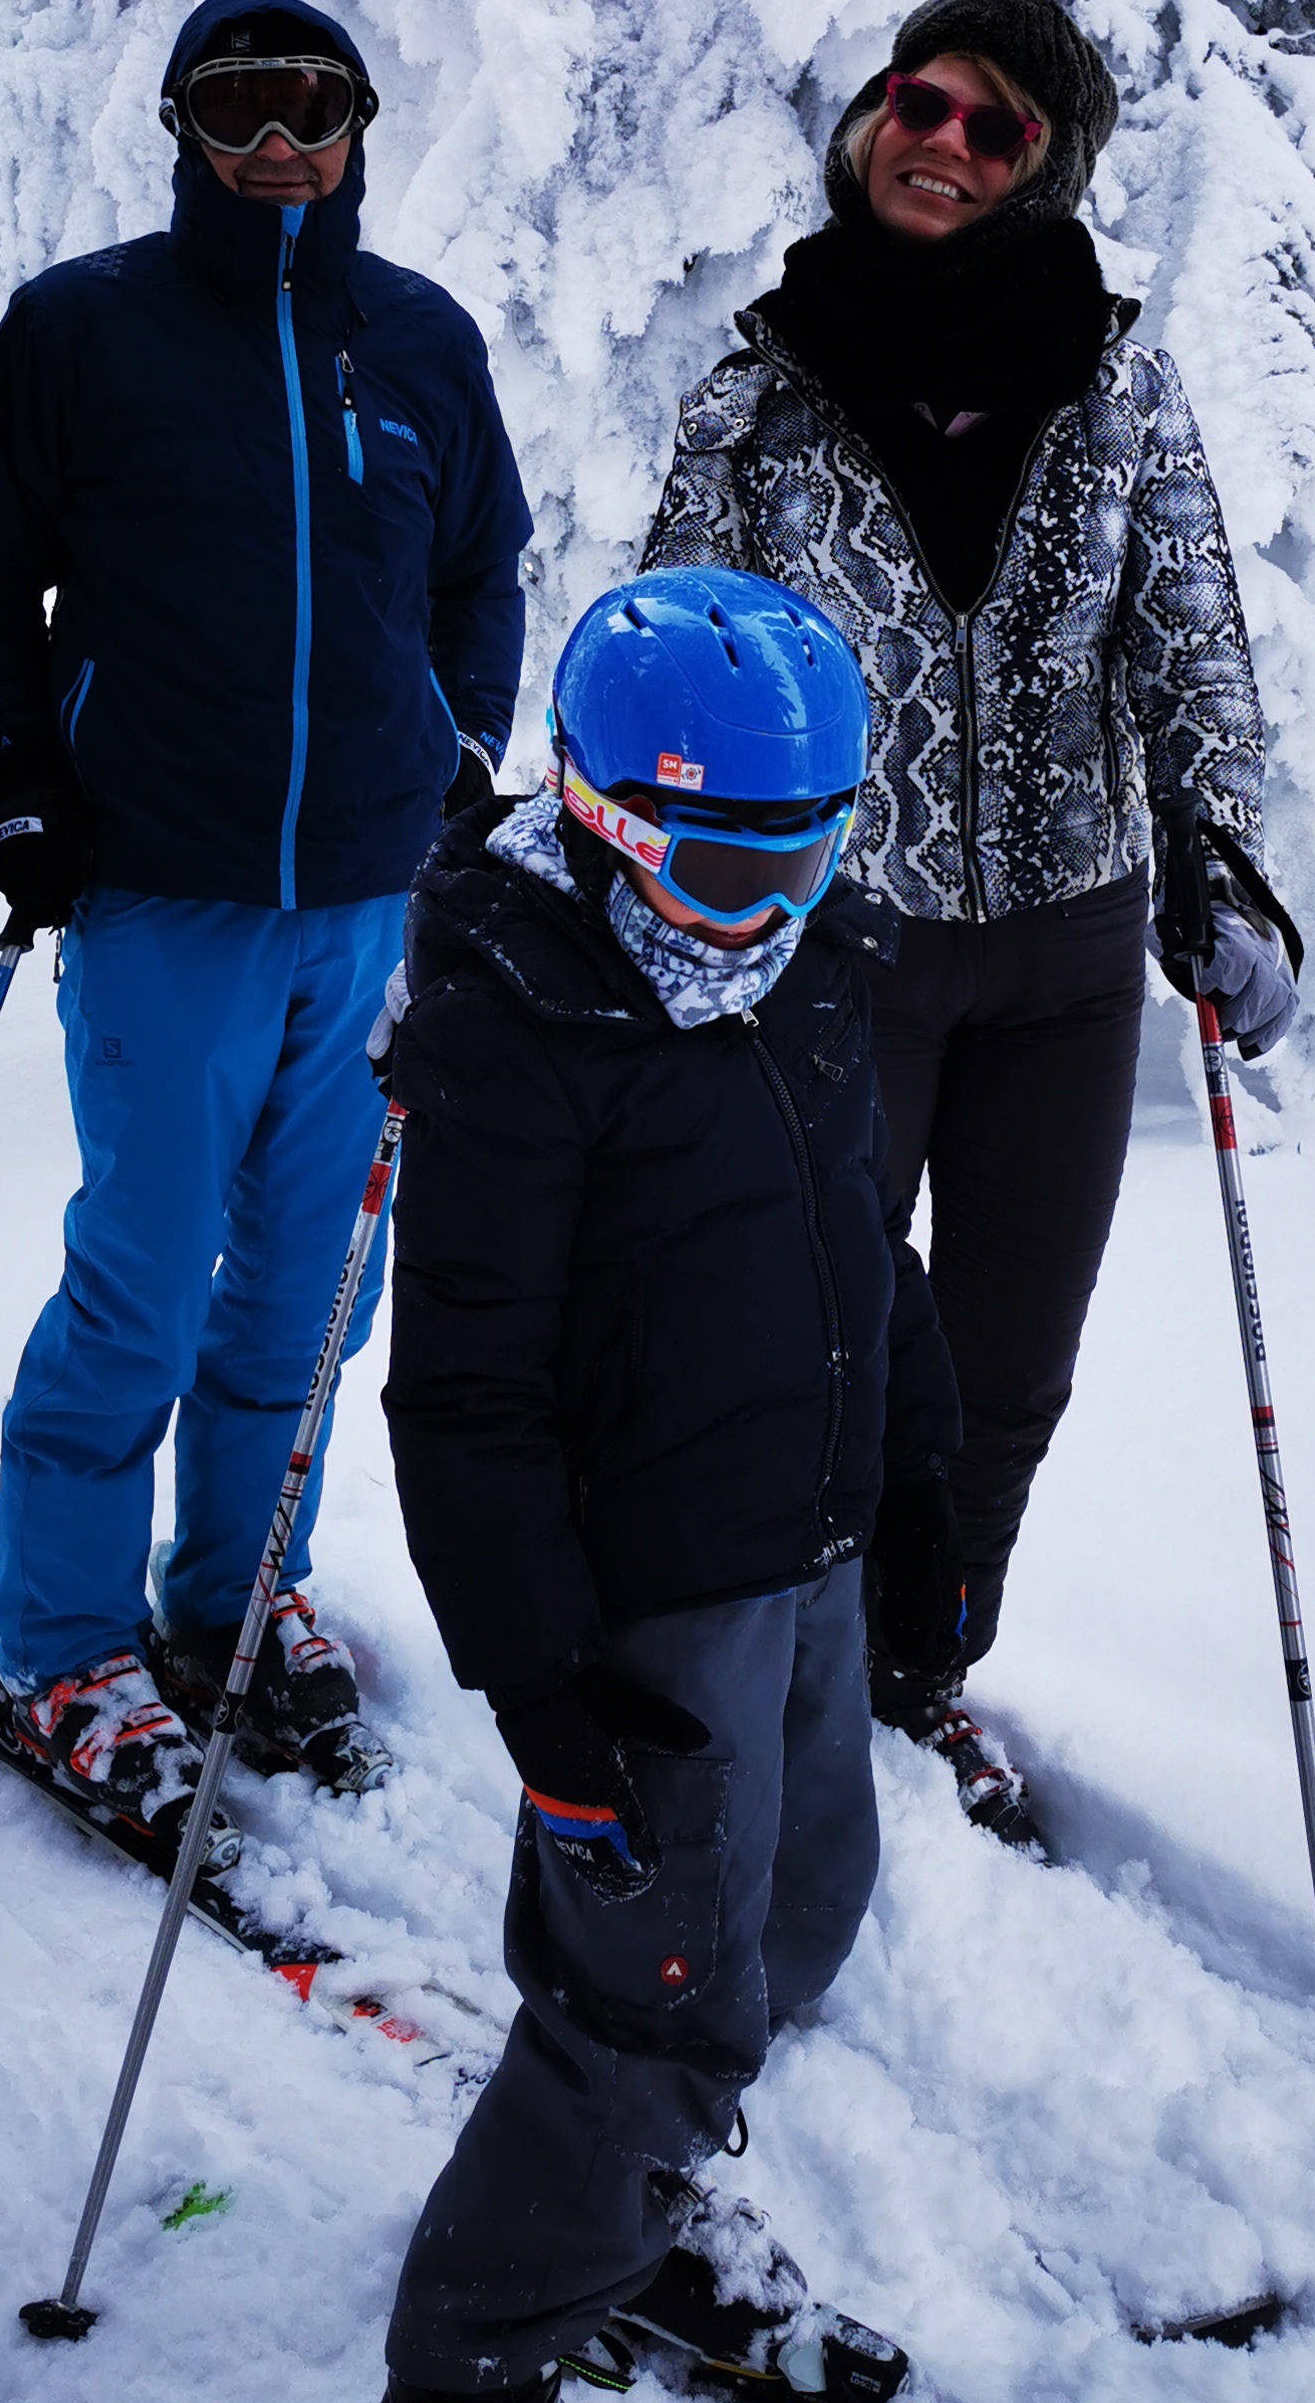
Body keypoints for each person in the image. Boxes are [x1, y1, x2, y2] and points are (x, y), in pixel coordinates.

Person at [641, 0, 1297, 1848]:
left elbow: (1190, 641)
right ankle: (784, 1671)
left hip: (1067, 959)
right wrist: (649, 876)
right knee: (819, 1342)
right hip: (834, 946)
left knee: (1007, 1368)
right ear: (873, 120)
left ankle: (918, 1668)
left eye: (993, 126)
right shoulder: (762, 390)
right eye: (919, 102)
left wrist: (1219, 851)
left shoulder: (1119, 384)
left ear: (1044, 166)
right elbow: (676, 655)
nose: (941, 142)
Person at [0, 0, 532, 1827]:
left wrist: (462, 746)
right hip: (158, 896)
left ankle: (237, 1597)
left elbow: (481, 571)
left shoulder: (416, 339)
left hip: (369, 906)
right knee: (143, 1278)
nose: (275, 143)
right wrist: (16, 780)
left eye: (309, 106)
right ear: (181, 128)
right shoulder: (83, 330)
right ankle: (65, 1650)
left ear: (358, 128)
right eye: (236, 107)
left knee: (309, 1295)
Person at [378, 568, 958, 2403]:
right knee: (656, 1999)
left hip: (807, 1545)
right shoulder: (519, 1029)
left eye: (814, 856)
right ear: (607, 823)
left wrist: (921, 1481)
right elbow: (461, 1397)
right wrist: (544, 1691)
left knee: (804, 1904)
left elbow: (860, 1236)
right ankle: (480, 2340)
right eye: (726, 871)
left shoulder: (805, 972)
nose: (773, 914)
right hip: (641, 1608)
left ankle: (637, 2198)